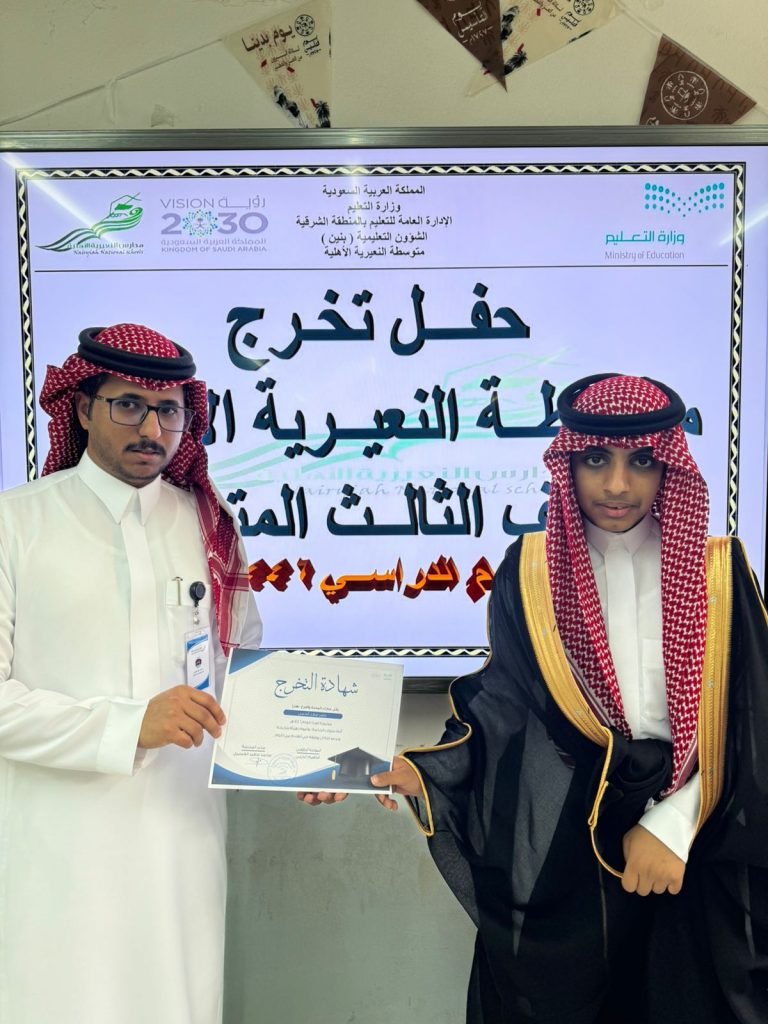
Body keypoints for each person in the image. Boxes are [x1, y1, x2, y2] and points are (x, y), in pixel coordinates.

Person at [304, 372, 768, 1023]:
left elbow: (751, 726)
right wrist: (421, 772)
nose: (617, 484)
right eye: (596, 459)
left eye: (640, 461)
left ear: (669, 465)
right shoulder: (530, 572)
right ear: (568, 462)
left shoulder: (721, 573)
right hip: (574, 852)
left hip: (699, 844)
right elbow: (505, 710)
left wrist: (673, 824)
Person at [0, 323, 262, 1024]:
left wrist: (299, 762)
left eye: (168, 411)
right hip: (56, 854)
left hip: (182, 848)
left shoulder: (210, 528)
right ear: (83, 408)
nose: (151, 429)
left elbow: (242, 676)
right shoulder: (15, 525)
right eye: (128, 406)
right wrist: (128, 725)